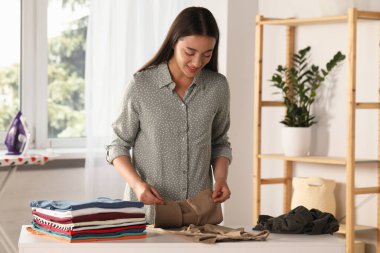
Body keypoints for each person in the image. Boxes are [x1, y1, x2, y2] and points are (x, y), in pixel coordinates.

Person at [106, 6, 232, 224]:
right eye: (190, 52)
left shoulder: (217, 87)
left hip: (200, 214)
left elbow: (219, 142)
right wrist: (137, 185)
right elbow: (117, 145)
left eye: (206, 55)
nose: (196, 63)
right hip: (149, 213)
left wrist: (220, 178)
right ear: (174, 41)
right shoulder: (141, 85)